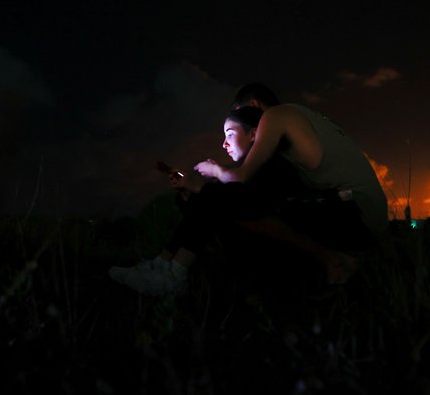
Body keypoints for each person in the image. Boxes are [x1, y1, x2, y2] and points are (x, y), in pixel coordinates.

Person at [195, 83, 389, 284]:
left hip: (358, 218)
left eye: (242, 116)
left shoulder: (276, 116)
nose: (244, 124)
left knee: (236, 205)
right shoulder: (299, 118)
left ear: (254, 104)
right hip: (369, 216)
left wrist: (215, 170)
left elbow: (242, 176)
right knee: (245, 202)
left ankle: (333, 263)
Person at [109, 105, 303, 296]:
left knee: (214, 197)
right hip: (251, 241)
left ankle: (174, 275)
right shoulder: (247, 170)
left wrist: (204, 181)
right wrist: (187, 191)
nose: (224, 144)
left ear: (253, 135)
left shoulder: (276, 165)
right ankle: (162, 267)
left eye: (230, 134)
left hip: (276, 249)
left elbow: (247, 203)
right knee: (211, 197)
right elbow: (208, 208)